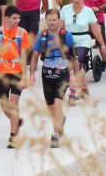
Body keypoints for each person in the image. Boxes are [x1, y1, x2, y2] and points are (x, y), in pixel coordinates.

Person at [29, 9, 79, 148]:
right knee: (50, 107)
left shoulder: (66, 36)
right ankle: (60, 119)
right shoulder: (42, 36)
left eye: (54, 20)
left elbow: (74, 57)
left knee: (57, 104)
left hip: (62, 73)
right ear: (46, 21)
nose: (52, 23)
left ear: (59, 20)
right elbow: (34, 56)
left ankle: (55, 135)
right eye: (49, 20)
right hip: (47, 74)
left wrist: (74, 75)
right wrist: (32, 73)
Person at [0, 6, 31, 149]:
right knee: (4, 105)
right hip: (2, 72)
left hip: (17, 71)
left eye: (18, 18)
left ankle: (13, 136)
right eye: (14, 18)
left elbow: (25, 56)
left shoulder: (22, 33)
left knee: (14, 102)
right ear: (6, 18)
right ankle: (17, 121)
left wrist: (24, 77)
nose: (17, 21)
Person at [60, 0, 106, 103]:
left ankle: (72, 93)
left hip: (83, 41)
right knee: (67, 66)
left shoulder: (88, 11)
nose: (76, 0)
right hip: (68, 40)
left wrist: (103, 45)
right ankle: (83, 86)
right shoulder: (65, 9)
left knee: (75, 63)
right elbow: (60, 28)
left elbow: (95, 30)